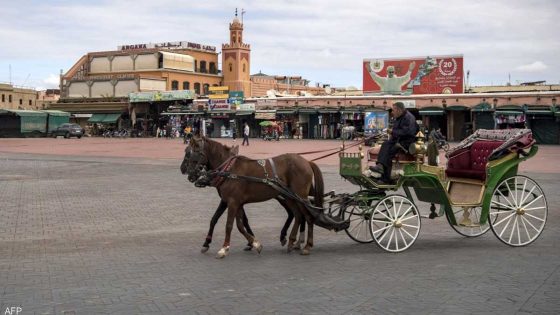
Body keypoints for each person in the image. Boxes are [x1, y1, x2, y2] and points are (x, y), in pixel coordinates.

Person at [369, 102, 418, 183]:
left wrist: (392, 131)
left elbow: (407, 132)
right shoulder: (399, 117)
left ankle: (386, 178)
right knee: (385, 144)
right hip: (399, 140)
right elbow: (396, 132)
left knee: (390, 151)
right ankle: (380, 166)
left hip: (408, 143)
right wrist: (391, 133)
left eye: (393, 110)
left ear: (399, 110)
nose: (392, 112)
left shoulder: (409, 117)